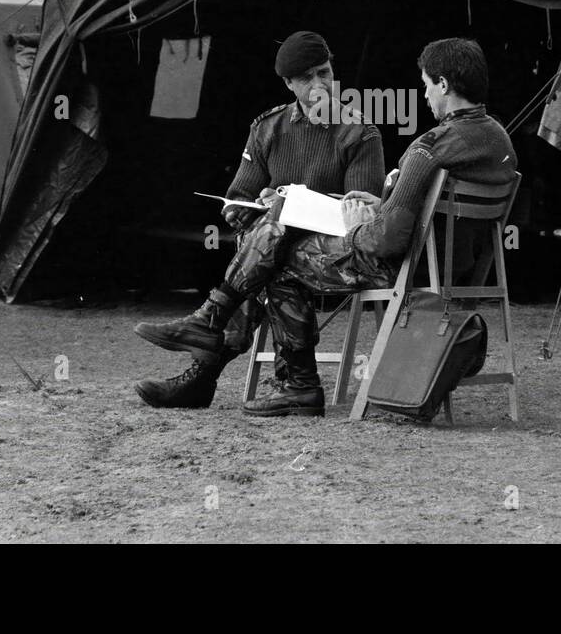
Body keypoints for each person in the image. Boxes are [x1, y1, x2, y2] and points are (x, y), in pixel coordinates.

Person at [137, 37, 518, 418]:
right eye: (307, 77)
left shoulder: (425, 147)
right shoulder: (498, 140)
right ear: (289, 83)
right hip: (450, 266)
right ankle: (244, 361)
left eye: (424, 85)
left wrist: (353, 229)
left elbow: (385, 239)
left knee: (276, 254)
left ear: (444, 85)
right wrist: (378, 205)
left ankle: (262, 362)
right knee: (272, 241)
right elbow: (406, 212)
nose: (424, 96)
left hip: (397, 264)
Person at [133, 31, 383, 408]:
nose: (319, 85)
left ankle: (208, 341)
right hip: (278, 253)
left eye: (325, 73)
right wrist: (249, 207)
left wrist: (292, 204)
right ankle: (293, 384)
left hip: (335, 255)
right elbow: (238, 199)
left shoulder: (359, 133)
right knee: (274, 252)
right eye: (306, 78)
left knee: (275, 245)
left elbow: (359, 219)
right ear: (287, 83)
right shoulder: (267, 128)